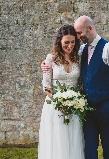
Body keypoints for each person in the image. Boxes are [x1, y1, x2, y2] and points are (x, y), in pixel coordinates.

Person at [41, 15, 109, 159]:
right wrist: (44, 65)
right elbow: (60, 63)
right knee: (87, 150)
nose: (78, 37)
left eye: (79, 33)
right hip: (87, 109)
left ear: (90, 28)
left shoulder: (108, 48)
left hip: (107, 107)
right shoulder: (81, 51)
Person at [38, 25, 85, 159]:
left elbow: (81, 83)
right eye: (66, 42)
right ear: (60, 42)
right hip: (54, 106)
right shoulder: (51, 59)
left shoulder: (79, 57)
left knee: (73, 141)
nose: (70, 45)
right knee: (57, 142)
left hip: (75, 106)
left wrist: (74, 101)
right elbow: (46, 86)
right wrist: (60, 103)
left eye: (72, 42)